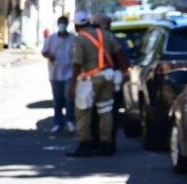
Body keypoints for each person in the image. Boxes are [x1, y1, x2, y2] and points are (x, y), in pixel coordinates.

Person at [67, 10, 117, 157]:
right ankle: (106, 144)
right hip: (108, 77)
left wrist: (72, 86)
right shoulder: (105, 34)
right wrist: (122, 72)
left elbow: (77, 63)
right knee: (105, 110)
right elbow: (119, 53)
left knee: (83, 112)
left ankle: (85, 145)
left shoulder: (80, 39)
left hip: (89, 80)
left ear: (76, 26)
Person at [91, 13, 128, 144]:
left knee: (109, 112)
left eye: (95, 25)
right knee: (94, 113)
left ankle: (107, 143)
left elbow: (123, 60)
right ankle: (97, 141)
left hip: (110, 80)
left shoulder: (113, 40)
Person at [41, 15, 76, 133]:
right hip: (55, 72)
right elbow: (44, 52)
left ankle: (70, 121)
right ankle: (58, 122)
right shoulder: (51, 38)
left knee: (69, 98)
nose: (62, 25)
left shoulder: (73, 38)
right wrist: (49, 56)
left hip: (69, 72)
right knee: (57, 99)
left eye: (64, 23)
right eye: (60, 23)